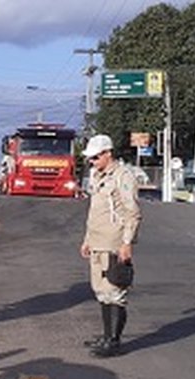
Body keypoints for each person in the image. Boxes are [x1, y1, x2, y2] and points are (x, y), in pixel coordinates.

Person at [79, 133, 141, 358]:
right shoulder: (97, 175)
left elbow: (132, 212)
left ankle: (113, 341)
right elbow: (95, 212)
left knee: (114, 290)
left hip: (114, 242)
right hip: (97, 241)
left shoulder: (123, 176)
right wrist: (87, 239)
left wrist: (127, 243)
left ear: (108, 153)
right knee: (101, 291)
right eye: (90, 158)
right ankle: (106, 335)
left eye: (95, 157)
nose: (91, 162)